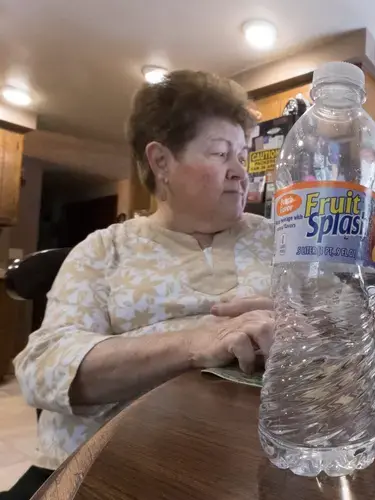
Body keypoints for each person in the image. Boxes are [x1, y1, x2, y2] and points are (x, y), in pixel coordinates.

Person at [3, 70, 274, 499]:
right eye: (222, 153)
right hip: (108, 471)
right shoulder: (105, 250)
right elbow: (43, 368)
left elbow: (335, 331)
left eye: (242, 155)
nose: (241, 172)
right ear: (161, 162)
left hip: (249, 468)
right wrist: (195, 343)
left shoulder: (279, 240)